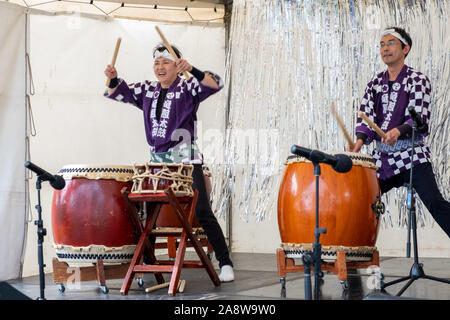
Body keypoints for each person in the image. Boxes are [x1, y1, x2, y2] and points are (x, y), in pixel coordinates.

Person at [103, 43, 234, 282]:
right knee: (148, 213)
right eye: (156, 63)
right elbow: (120, 92)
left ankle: (225, 262)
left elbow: (215, 83)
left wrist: (192, 69)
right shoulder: (147, 90)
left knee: (202, 211)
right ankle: (146, 265)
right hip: (158, 163)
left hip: (186, 161)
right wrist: (113, 79)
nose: (160, 67)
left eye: (165, 62)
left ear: (177, 65)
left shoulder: (187, 87)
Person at [348, 27, 450, 238]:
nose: (385, 48)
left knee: (434, 201)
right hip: (382, 157)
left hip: (411, 155)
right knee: (358, 199)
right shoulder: (375, 84)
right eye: (382, 45)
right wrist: (359, 142)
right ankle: (357, 256)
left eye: (391, 43)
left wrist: (399, 130)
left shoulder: (417, 80)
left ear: (406, 48)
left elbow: (418, 117)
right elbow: (366, 114)